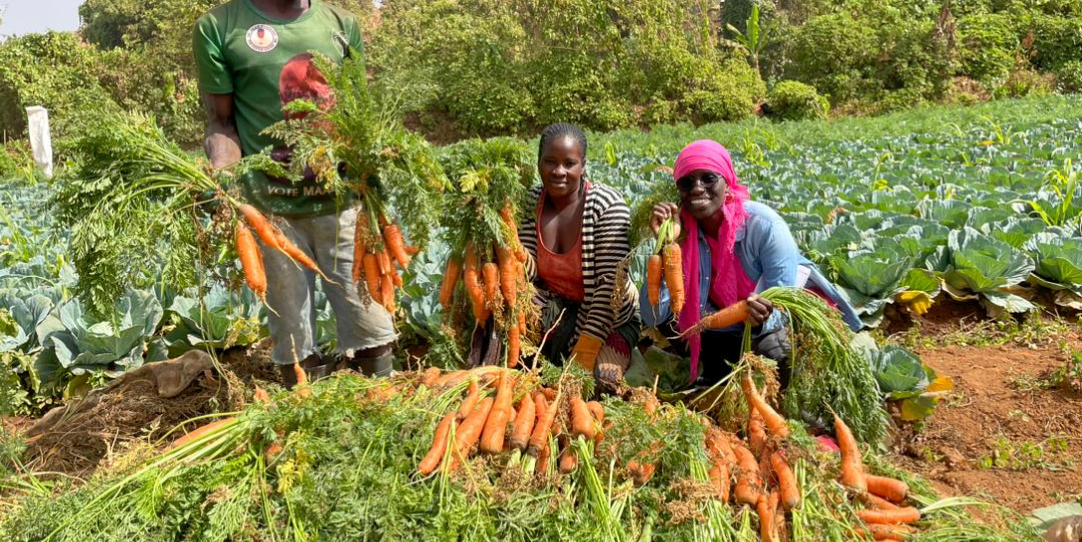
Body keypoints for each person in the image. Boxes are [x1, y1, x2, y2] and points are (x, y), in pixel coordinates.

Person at [194, 0, 396, 387]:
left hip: (342, 206)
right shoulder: (219, 27)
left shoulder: (341, 24)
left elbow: (359, 119)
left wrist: (375, 179)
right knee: (295, 350)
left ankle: (376, 405)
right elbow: (222, 122)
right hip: (271, 212)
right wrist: (223, 178)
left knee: (373, 334)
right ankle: (304, 423)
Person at [641, 139, 862, 387]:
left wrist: (764, 315)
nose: (697, 188)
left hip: (777, 323)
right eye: (687, 182)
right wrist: (663, 247)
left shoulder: (764, 225)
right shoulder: (682, 232)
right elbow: (652, 316)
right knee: (677, 327)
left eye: (708, 178)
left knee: (776, 355)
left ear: (727, 183)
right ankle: (717, 367)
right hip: (722, 325)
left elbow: (784, 305)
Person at [518, 123, 640, 390]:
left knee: (600, 383)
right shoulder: (531, 202)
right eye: (550, 162)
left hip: (608, 315)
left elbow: (610, 287)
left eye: (569, 163)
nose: (558, 171)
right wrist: (508, 246)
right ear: (539, 162)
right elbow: (529, 276)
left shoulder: (606, 206)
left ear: (583, 166)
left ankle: (618, 346)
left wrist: (583, 354)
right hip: (554, 309)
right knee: (515, 362)